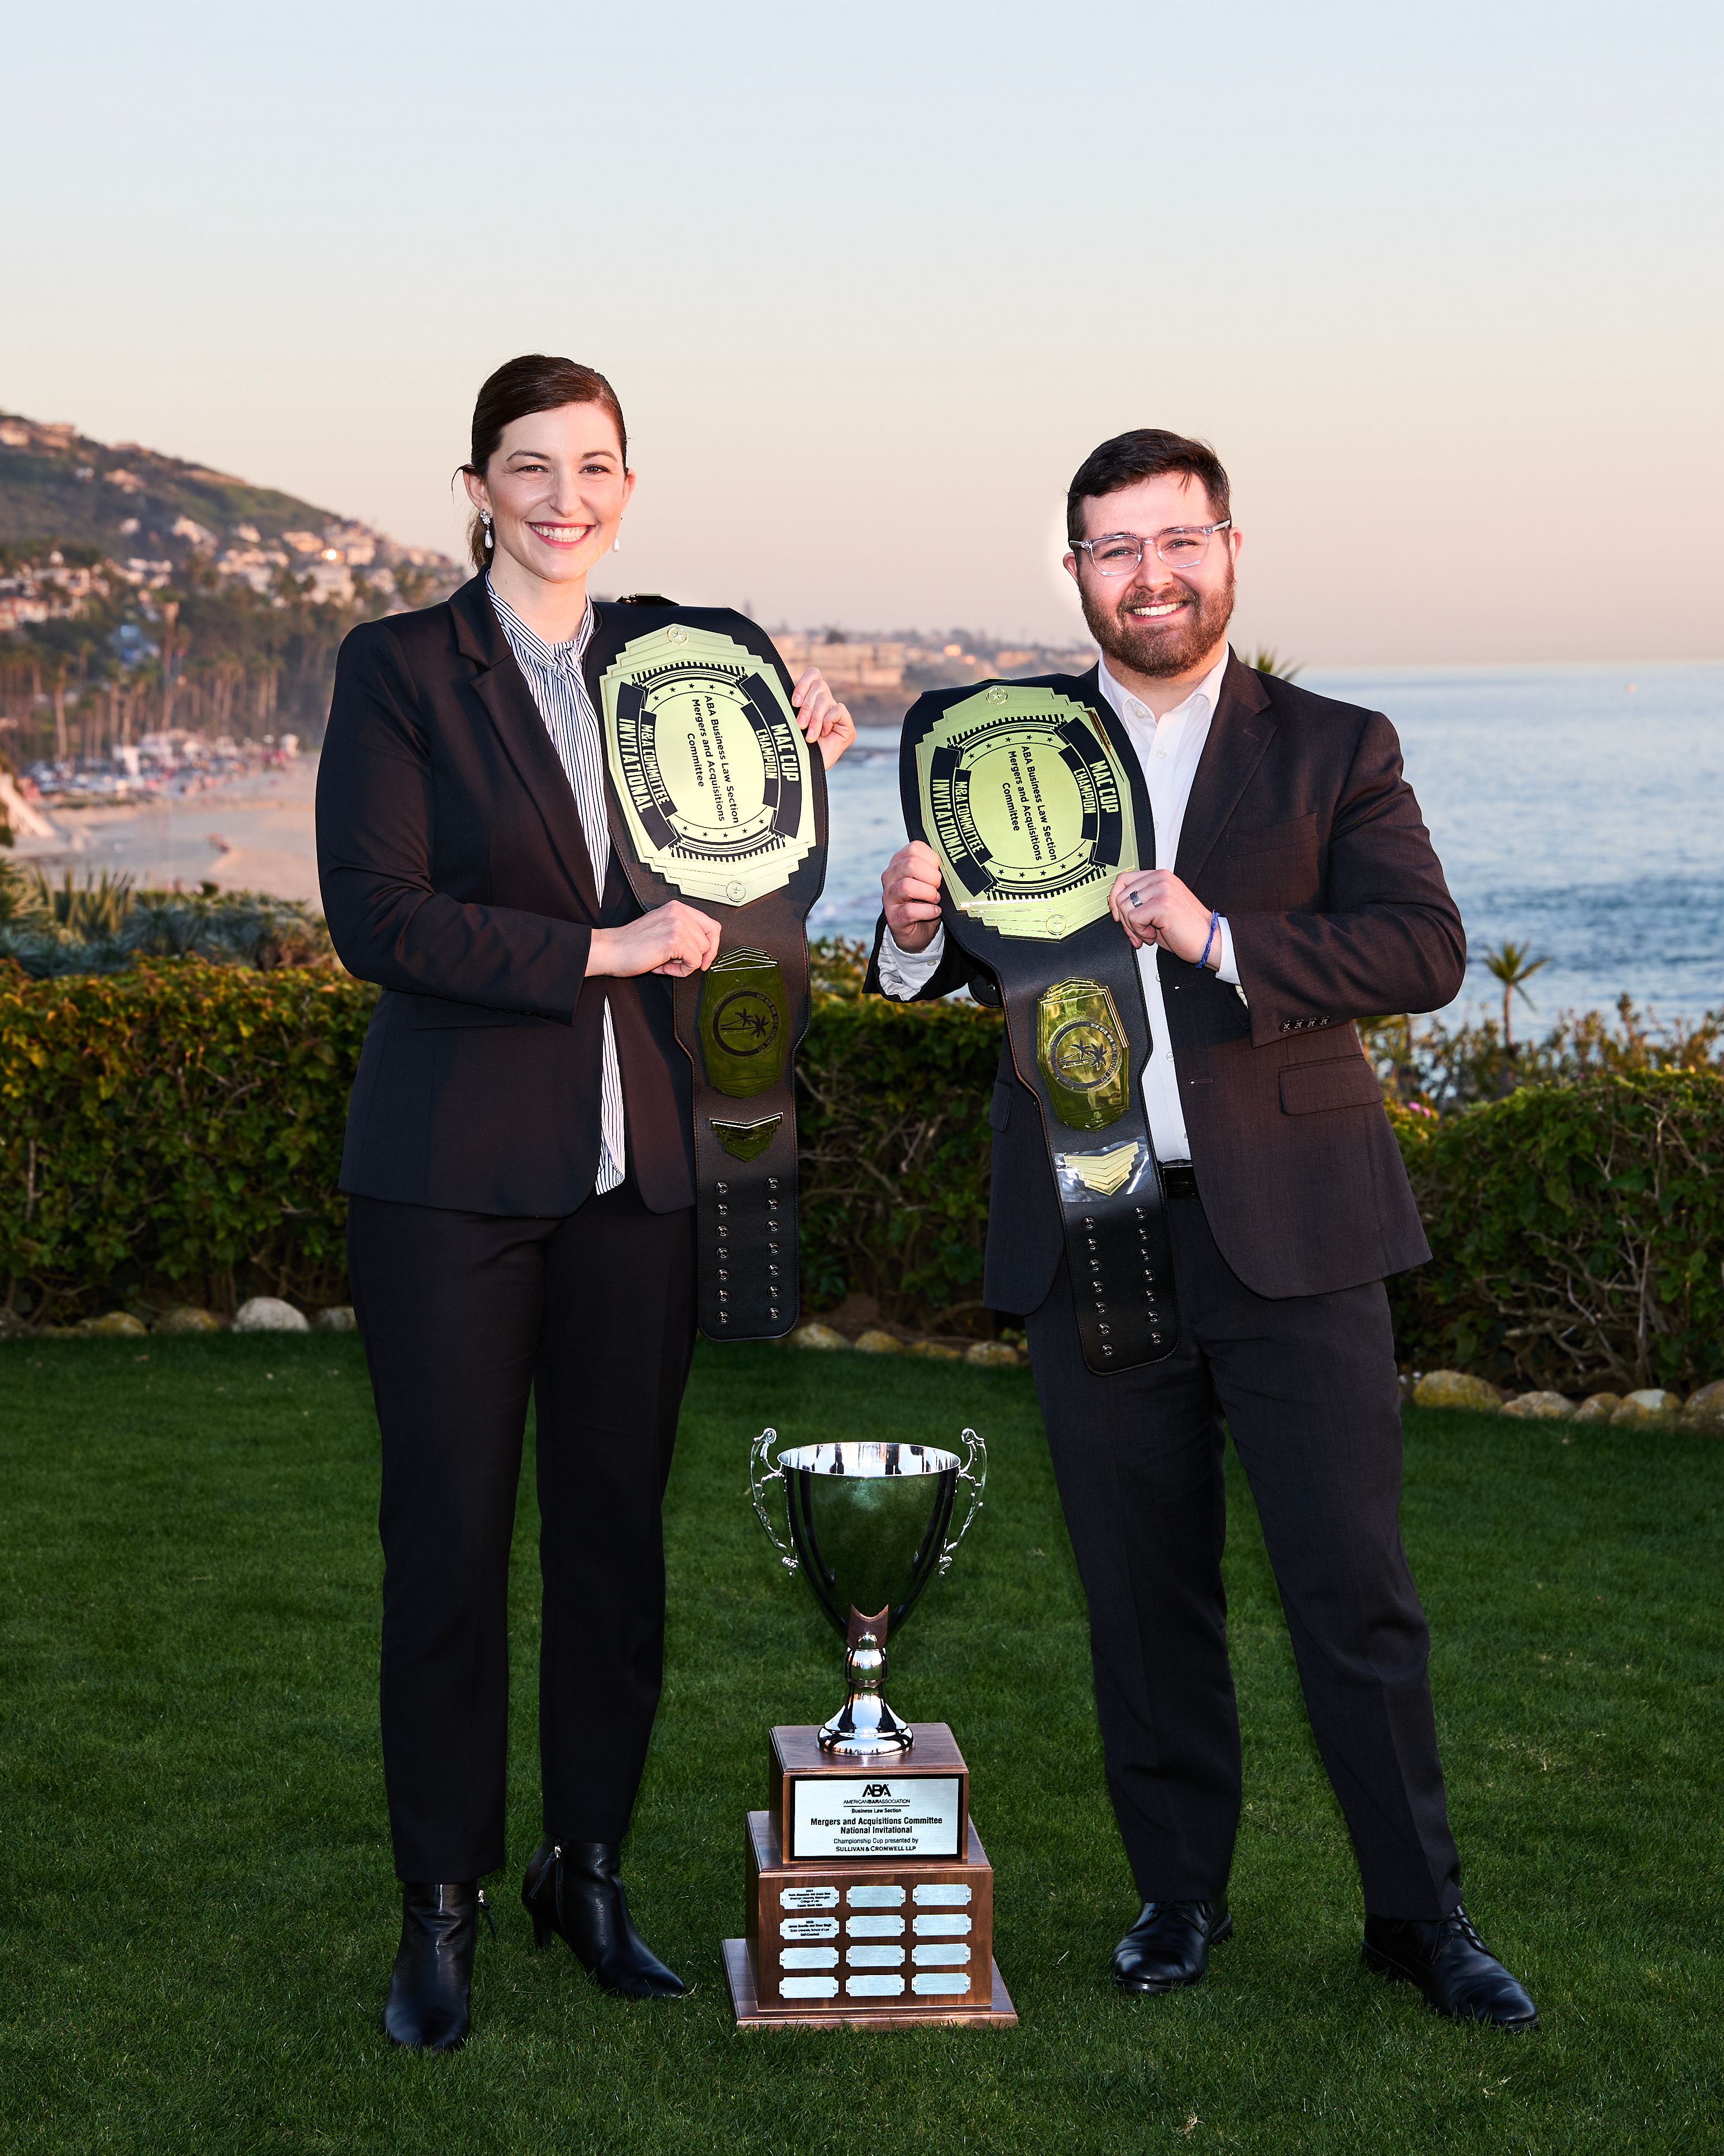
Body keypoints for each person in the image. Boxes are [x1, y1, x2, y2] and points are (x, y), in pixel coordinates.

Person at [870, 429, 1538, 2030]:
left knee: (1350, 1588)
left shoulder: (1332, 746)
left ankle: (1419, 1917)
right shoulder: (997, 748)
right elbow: (962, 954)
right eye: (1114, 548)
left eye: (1177, 540)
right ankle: (1179, 1898)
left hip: (1296, 1237)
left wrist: (1224, 934)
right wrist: (905, 939)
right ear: (1078, 572)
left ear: (1231, 549)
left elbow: (1426, 947)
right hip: (1086, 1220)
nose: (1148, 573)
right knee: (1138, 1589)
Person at [316, 353, 854, 2052]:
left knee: (617, 1546)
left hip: (647, 1178)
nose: (566, 493)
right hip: (451, 1184)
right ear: (475, 485)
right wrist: (599, 949)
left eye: (597, 463)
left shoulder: (678, 653)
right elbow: (382, 919)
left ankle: (587, 1870)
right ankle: (442, 1907)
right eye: (531, 465)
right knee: (451, 1549)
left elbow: (766, 875)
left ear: (631, 482)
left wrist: (810, 755)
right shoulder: (400, 666)